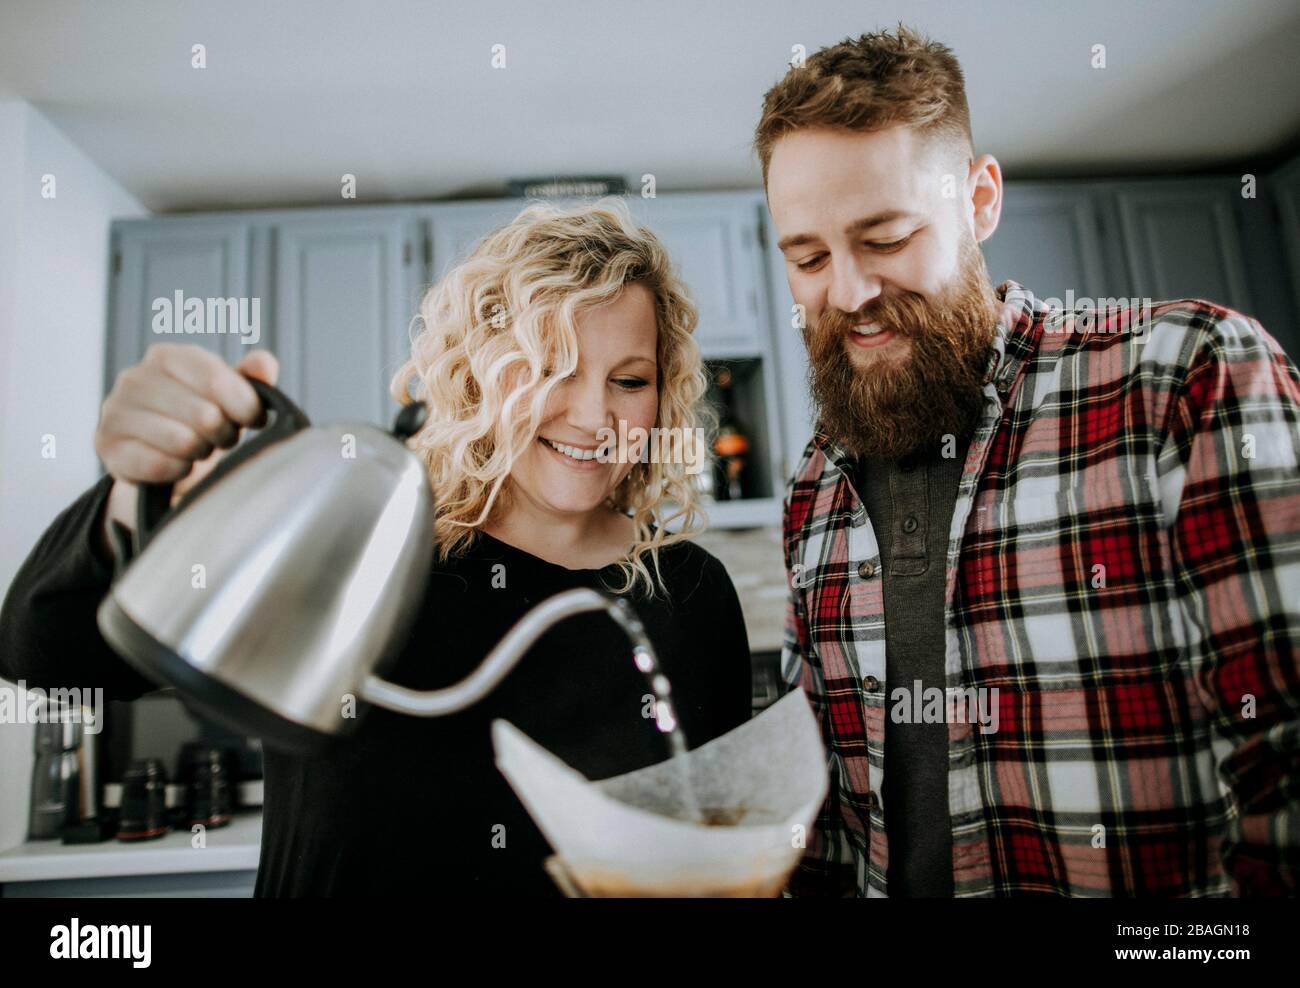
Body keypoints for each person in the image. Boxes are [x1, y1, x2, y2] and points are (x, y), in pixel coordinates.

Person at [0, 199, 753, 896]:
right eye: (551, 367)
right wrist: (137, 495)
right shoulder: (361, 547)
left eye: (629, 379)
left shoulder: (692, 595)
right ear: (476, 374)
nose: (595, 414)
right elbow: (44, 655)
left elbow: (715, 843)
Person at [755, 26, 1300, 896]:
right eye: (809, 257)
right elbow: (824, 809)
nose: (847, 293)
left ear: (979, 202)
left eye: (887, 238)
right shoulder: (817, 484)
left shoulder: (1183, 380)